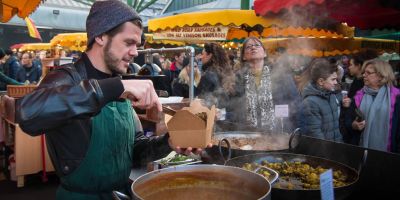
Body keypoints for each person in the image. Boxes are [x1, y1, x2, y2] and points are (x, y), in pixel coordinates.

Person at [16, 1, 207, 199]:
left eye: (137, 45)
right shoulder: (66, 78)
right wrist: (116, 88)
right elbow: (28, 114)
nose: (135, 52)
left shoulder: (119, 82)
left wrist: (168, 142)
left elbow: (134, 150)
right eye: (128, 42)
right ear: (100, 36)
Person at [347, 59, 400, 152]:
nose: (364, 75)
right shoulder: (359, 95)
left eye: (368, 73)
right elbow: (348, 119)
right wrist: (354, 125)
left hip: (389, 152)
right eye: (364, 72)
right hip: (360, 150)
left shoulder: (396, 97)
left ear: (380, 75)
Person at [228, 37, 275, 130]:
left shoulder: (279, 74)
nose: (253, 48)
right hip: (246, 132)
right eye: (248, 47)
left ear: (265, 53)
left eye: (257, 45)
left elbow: (291, 104)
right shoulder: (237, 78)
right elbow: (232, 108)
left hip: (276, 133)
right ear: (244, 56)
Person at [300, 58, 350, 142]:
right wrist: (327, 152)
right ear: (321, 81)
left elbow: (336, 124)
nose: (336, 82)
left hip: (336, 146)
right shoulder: (310, 103)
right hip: (324, 151)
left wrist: (344, 107)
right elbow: (316, 134)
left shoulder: (331, 94)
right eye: (333, 79)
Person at [197, 42, 235, 110]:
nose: (200, 57)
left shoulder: (208, 75)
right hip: (226, 116)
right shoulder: (225, 73)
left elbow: (201, 103)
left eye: (203, 54)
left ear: (210, 55)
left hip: (212, 117)